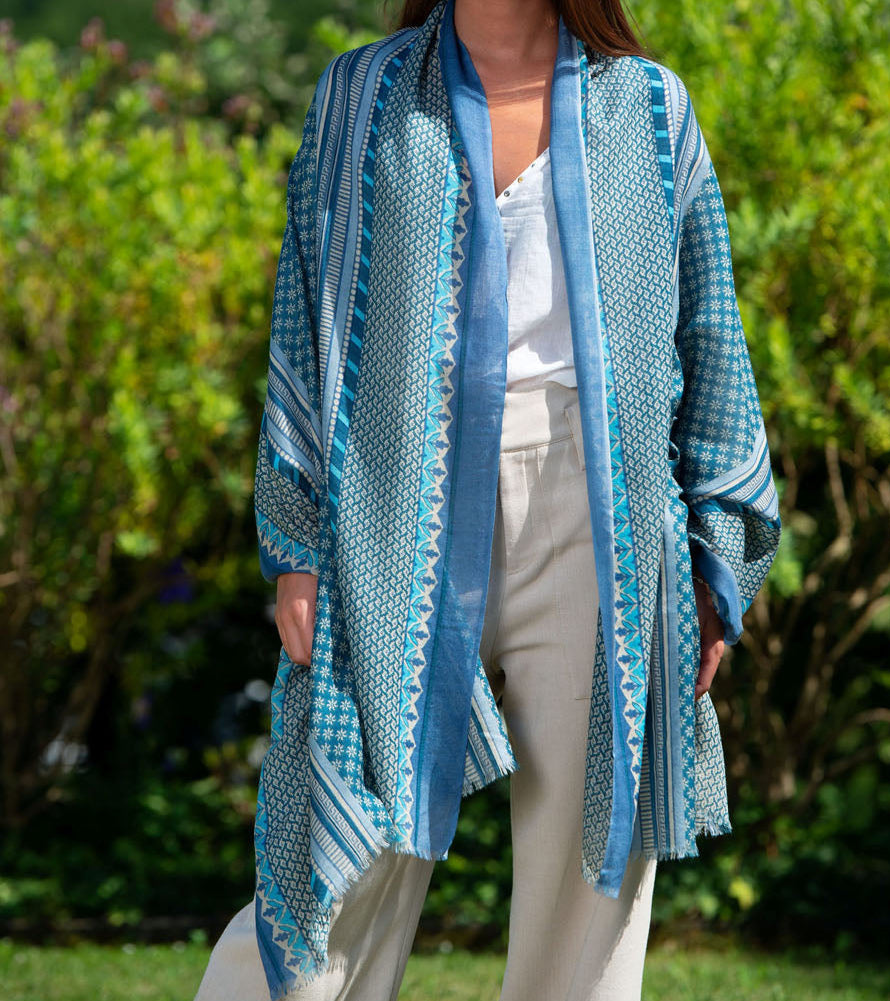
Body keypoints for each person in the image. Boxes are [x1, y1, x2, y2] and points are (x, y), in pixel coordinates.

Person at [193, 0, 781, 998]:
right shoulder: (364, 93)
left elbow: (707, 333)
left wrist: (711, 557)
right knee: (345, 846)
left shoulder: (648, 105)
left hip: (604, 513)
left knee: (589, 873)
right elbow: (303, 315)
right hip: (396, 509)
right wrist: (295, 545)